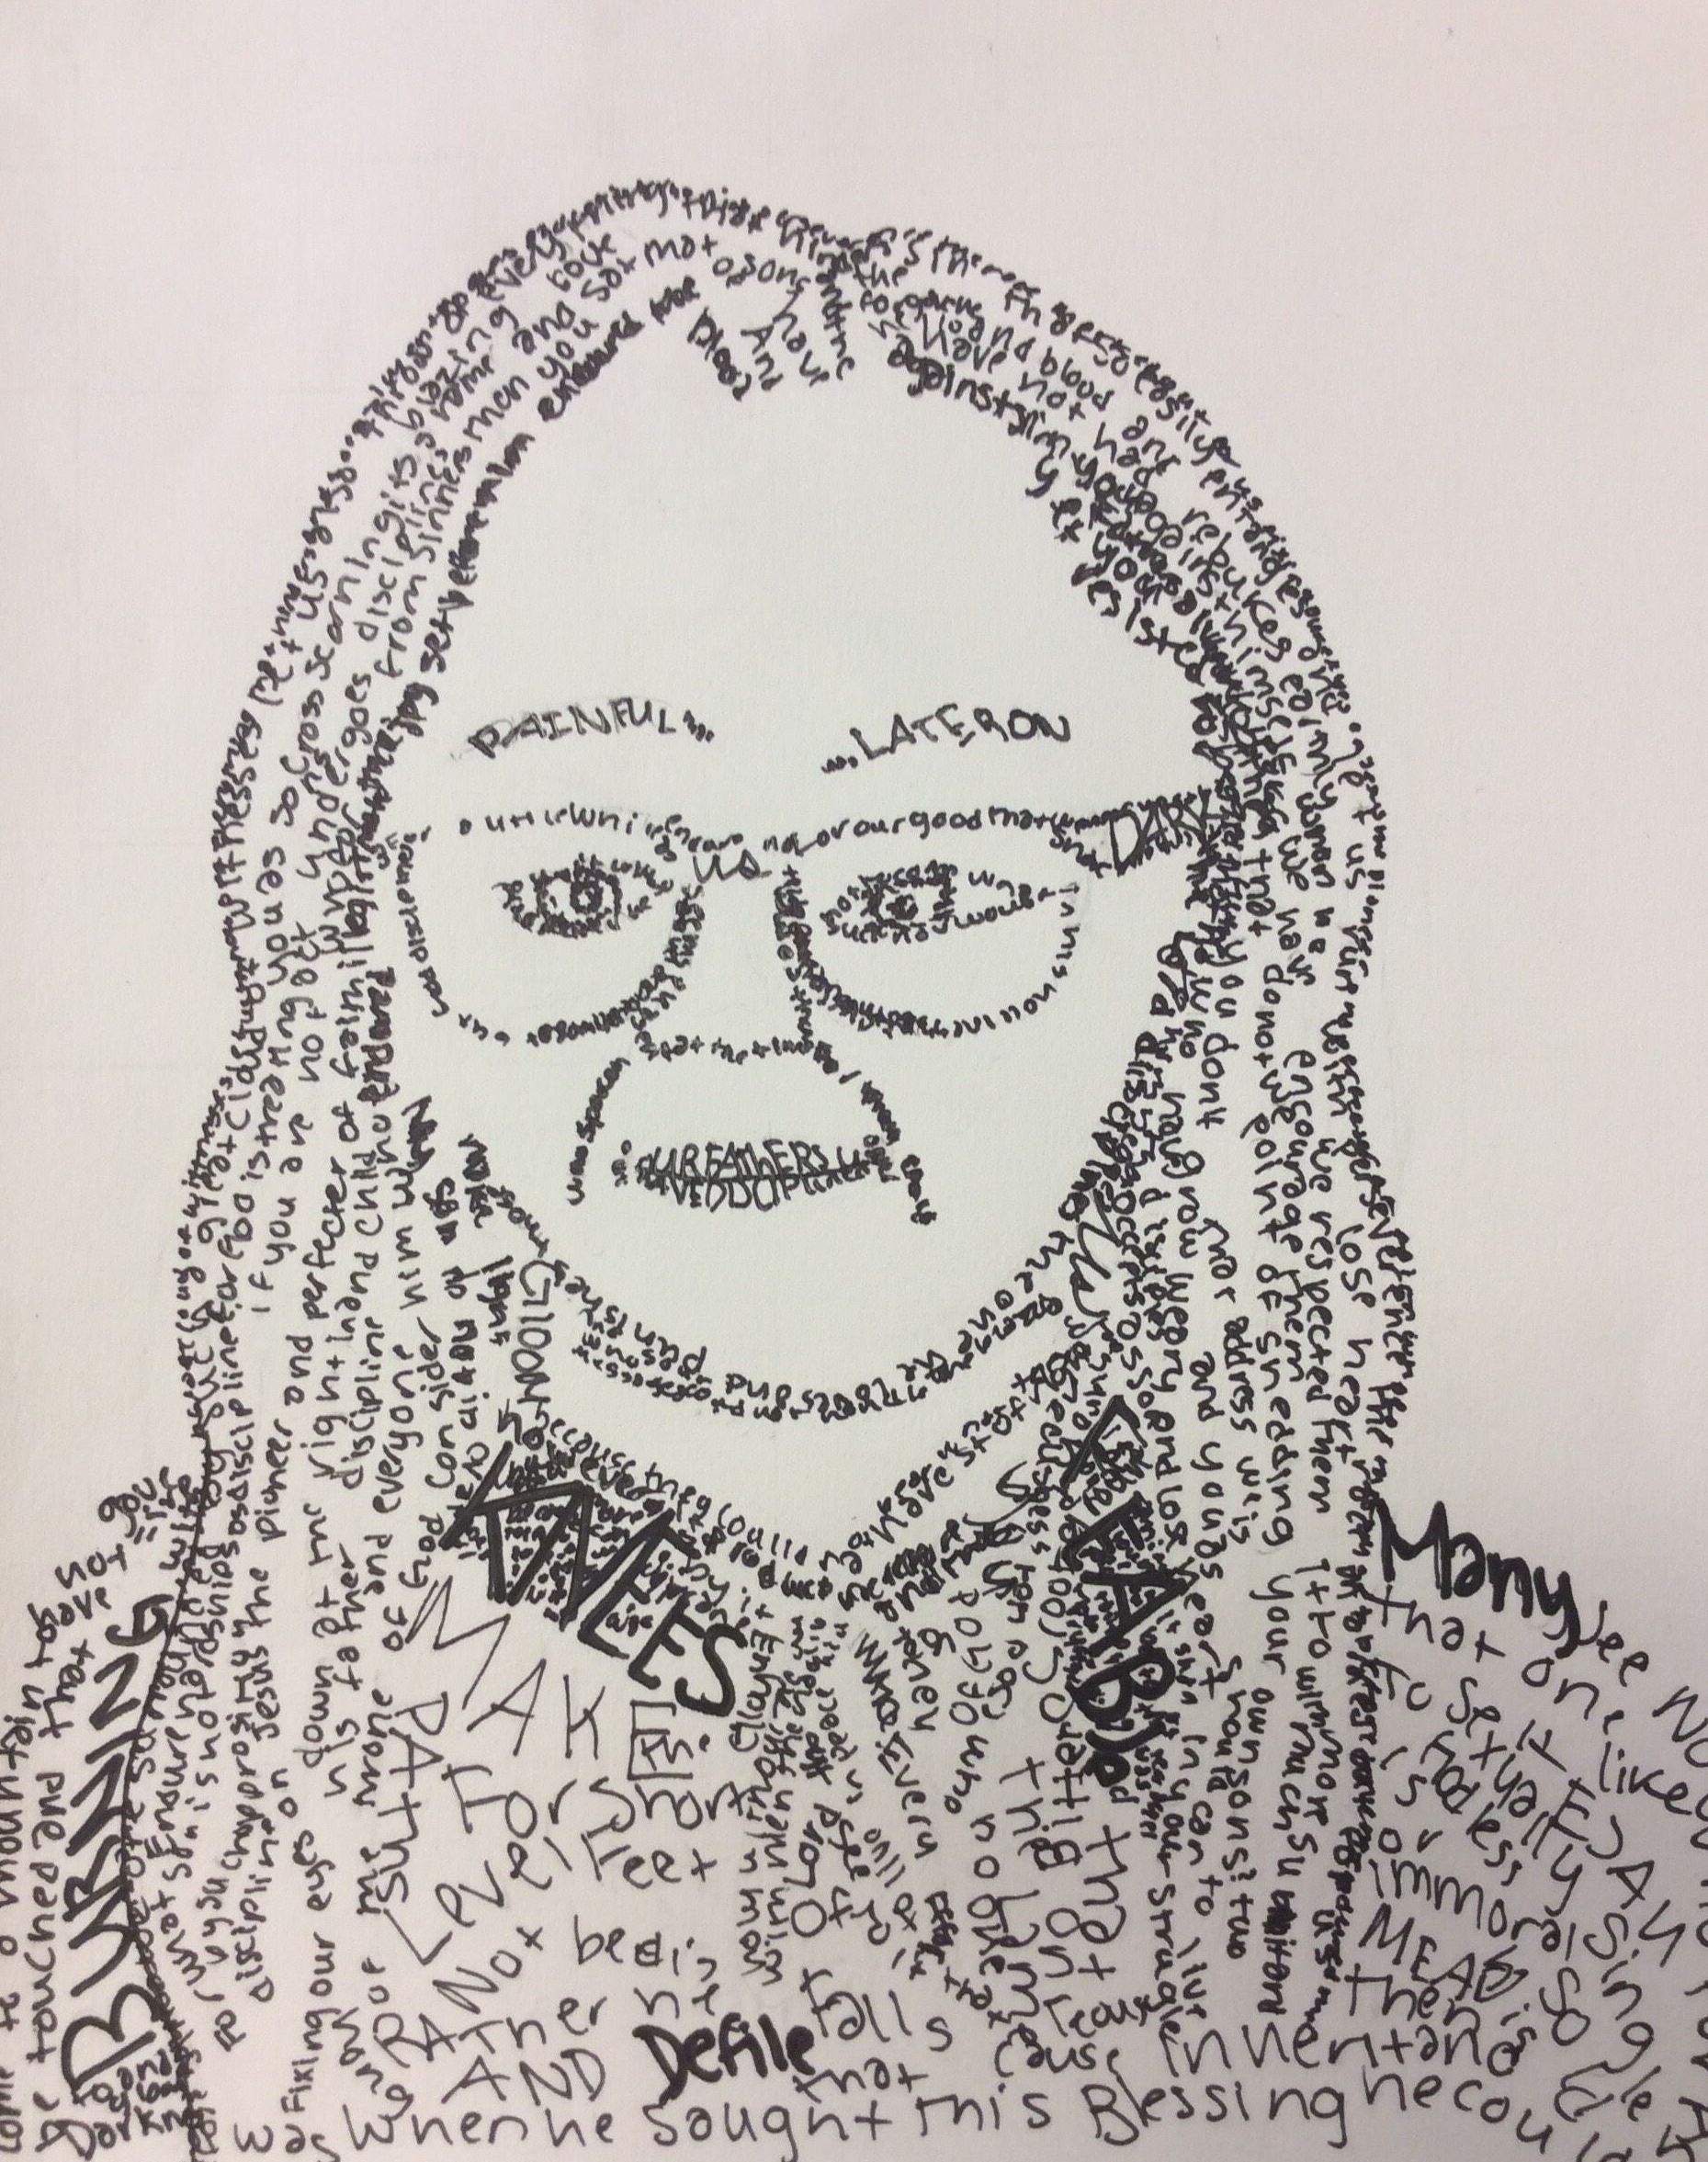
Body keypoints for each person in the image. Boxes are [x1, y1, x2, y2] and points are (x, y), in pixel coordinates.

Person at [5, 180, 1702, 2162]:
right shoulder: (91, 1760)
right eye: (574, 889)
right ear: (363, 922)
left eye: (926, 891)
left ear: (1213, 923)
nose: (738, 1026)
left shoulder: (1556, 1830)